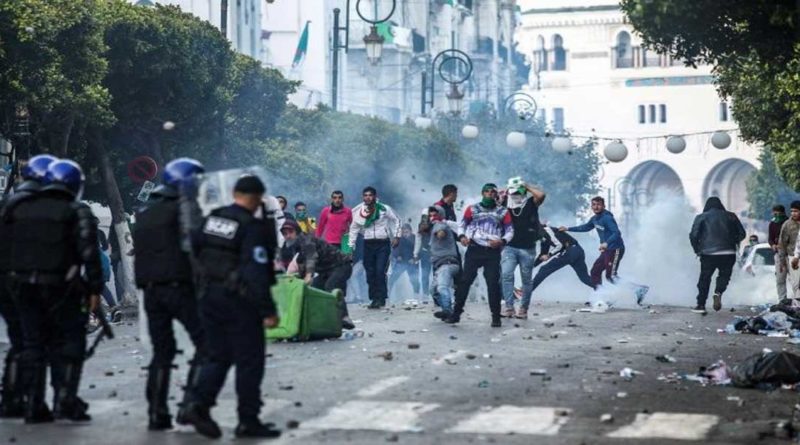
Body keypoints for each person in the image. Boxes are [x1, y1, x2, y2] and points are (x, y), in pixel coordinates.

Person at [180, 175, 280, 439]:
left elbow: (192, 251)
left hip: (208, 297)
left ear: (235, 193)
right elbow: (256, 272)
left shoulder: (212, 219)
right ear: (257, 198)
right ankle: (248, 420)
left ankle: (198, 405)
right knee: (250, 361)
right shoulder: (251, 226)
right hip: (239, 301)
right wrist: (268, 310)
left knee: (217, 355)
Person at [7, 159, 103, 423]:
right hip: (61, 287)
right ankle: (65, 400)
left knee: (33, 344)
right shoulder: (76, 210)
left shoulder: (21, 208)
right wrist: (95, 289)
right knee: (70, 342)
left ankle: (33, 405)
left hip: (23, 288)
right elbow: (89, 253)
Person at [133, 158, 207, 431]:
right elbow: (196, 245)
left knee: (161, 352)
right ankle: (191, 405)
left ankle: (157, 413)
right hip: (179, 286)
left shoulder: (145, 211)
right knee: (207, 343)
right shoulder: (186, 207)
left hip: (151, 290)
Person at [0, 154, 56, 418]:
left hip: (5, 280)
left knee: (19, 340)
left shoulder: (8, 204)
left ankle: (11, 399)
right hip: (26, 281)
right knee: (35, 342)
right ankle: (33, 402)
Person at [445, 183, 513, 327]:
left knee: (493, 283)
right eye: (487, 191)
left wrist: (502, 241)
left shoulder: (503, 211)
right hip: (474, 249)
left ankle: (496, 317)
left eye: (493, 192)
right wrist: (462, 237)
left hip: (492, 251)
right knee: (465, 281)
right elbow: (462, 225)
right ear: (483, 193)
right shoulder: (472, 209)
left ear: (496, 194)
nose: (490, 194)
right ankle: (456, 314)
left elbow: (510, 230)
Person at [280, 219, 356, 329]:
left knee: (331, 286)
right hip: (326, 271)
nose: (288, 236)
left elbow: (311, 257)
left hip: (341, 265)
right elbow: (301, 263)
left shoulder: (307, 240)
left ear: (297, 231)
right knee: (313, 290)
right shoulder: (294, 246)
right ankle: (320, 321)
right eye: (285, 233)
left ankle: (344, 317)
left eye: (290, 232)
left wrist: (309, 275)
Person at [689, 197, 746, 314]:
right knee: (724, 276)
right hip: (728, 253)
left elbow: (693, 235)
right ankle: (718, 292)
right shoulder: (731, 216)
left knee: (705, 278)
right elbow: (742, 234)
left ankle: (701, 304)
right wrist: (732, 241)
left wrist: (697, 250)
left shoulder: (701, 217)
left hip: (708, 253)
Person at [347, 187, 401, 309]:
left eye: (370, 195)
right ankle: (374, 298)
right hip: (368, 243)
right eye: (365, 195)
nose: (368, 197)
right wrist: (350, 247)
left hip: (383, 243)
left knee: (380, 271)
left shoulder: (384, 208)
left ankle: (381, 297)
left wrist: (397, 236)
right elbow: (354, 229)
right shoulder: (359, 211)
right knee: (370, 272)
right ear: (363, 197)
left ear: (375, 196)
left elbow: (397, 220)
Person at [501, 177, 545, 319]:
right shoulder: (505, 202)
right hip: (509, 247)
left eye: (519, 193)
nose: (516, 196)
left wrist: (527, 186)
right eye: (514, 194)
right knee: (506, 275)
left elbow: (541, 195)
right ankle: (509, 307)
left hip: (528, 248)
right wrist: (507, 190)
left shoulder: (531, 203)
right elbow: (494, 201)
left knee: (526, 279)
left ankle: (523, 309)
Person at [558, 196, 624, 288]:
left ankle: (638, 290)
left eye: (599, 205)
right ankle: (600, 294)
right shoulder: (594, 219)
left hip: (615, 249)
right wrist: (568, 229)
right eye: (594, 205)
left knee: (611, 277)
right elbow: (585, 227)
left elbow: (617, 233)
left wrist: (606, 243)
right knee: (595, 271)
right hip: (607, 250)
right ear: (591, 206)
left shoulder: (607, 218)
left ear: (603, 206)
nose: (596, 207)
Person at [530, 226, 595, 295]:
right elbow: (543, 255)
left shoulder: (547, 230)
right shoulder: (543, 238)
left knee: (544, 269)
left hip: (570, 251)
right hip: (578, 251)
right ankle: (601, 290)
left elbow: (559, 245)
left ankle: (527, 291)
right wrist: (532, 266)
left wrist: (549, 255)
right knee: (584, 278)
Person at [425, 206, 461, 320]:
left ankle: (447, 310)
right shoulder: (433, 227)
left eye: (435, 215)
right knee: (433, 290)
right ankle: (448, 309)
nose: (432, 218)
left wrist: (439, 231)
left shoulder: (440, 225)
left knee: (441, 287)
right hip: (440, 265)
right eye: (430, 215)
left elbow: (441, 233)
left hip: (447, 263)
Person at [389, 224, 419, 298]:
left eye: (406, 232)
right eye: (403, 232)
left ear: (411, 231)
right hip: (401, 263)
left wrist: (414, 258)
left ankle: (416, 295)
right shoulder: (399, 239)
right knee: (392, 279)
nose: (405, 234)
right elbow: (394, 250)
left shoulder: (415, 239)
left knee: (414, 280)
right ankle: (387, 295)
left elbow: (419, 250)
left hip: (411, 262)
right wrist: (397, 256)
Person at [770, 204, 789, 300]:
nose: (775, 215)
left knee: (796, 280)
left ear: (783, 213)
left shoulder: (790, 223)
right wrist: (773, 245)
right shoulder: (773, 223)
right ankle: (782, 299)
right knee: (780, 279)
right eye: (774, 213)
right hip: (778, 254)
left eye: (777, 213)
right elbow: (770, 238)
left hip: (790, 254)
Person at [783, 201, 800, 298]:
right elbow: (783, 243)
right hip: (793, 256)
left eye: (796, 211)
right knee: (795, 282)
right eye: (792, 211)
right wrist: (783, 260)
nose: (793, 213)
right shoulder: (787, 224)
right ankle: (797, 301)